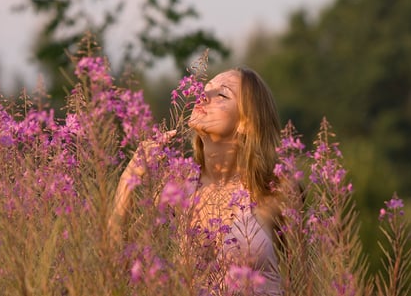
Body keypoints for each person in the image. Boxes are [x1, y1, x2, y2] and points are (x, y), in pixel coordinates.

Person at [110, 66, 288, 295]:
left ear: (247, 122)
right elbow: (118, 268)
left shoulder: (273, 189)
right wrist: (127, 183)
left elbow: (306, 278)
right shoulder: (177, 188)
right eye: (205, 90)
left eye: (222, 95)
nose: (203, 96)